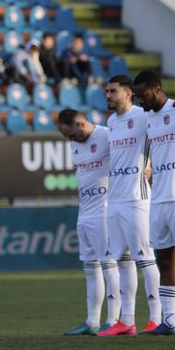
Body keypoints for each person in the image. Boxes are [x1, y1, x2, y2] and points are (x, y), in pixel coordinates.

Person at [132, 70, 175, 334]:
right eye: (137, 96)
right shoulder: (148, 118)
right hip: (158, 197)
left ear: (157, 88)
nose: (141, 101)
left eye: (144, 95)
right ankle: (169, 321)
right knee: (163, 259)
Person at [97, 75, 162, 336]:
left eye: (112, 91)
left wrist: (153, 166)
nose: (108, 95)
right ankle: (127, 320)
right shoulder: (111, 122)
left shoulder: (143, 116)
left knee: (145, 258)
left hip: (137, 198)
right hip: (115, 199)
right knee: (122, 259)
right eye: (106, 91)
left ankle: (157, 317)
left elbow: (163, 141)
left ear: (128, 93)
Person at [56, 108, 119, 336]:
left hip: (104, 210)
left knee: (109, 265)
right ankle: (92, 321)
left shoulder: (106, 135)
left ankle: (113, 321)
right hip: (85, 212)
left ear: (81, 125)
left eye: (70, 134)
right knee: (90, 268)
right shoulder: (75, 144)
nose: (69, 140)